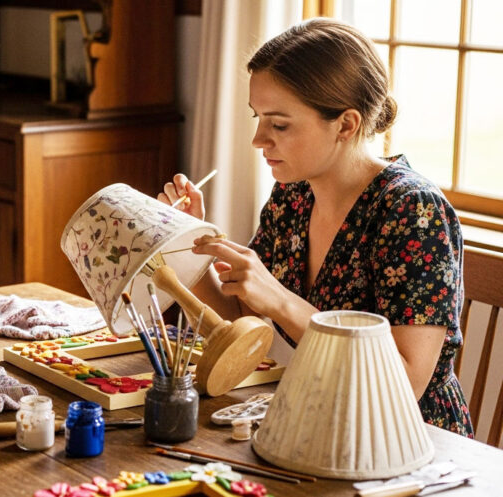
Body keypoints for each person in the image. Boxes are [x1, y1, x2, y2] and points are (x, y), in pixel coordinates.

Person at [158, 18, 472, 436]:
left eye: (279, 124)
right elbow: (240, 319)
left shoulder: (412, 211)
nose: (258, 139)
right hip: (320, 421)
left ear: (346, 124)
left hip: (411, 440)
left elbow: (405, 385)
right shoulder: (293, 195)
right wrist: (187, 243)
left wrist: (280, 301)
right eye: (258, 117)